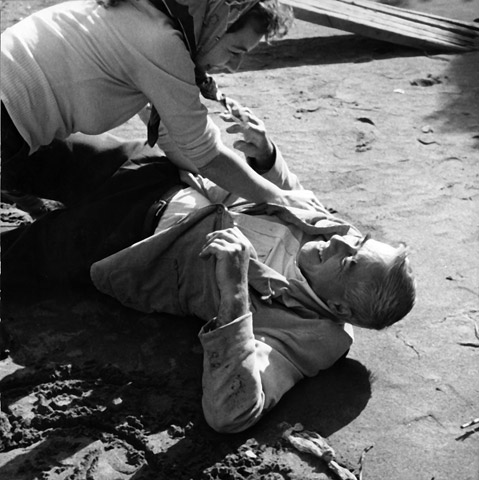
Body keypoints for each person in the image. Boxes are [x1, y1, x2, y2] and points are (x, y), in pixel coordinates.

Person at [1, 108, 416, 433]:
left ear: (340, 308)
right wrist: (267, 156)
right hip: (155, 172)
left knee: (18, 256)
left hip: (128, 237)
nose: (342, 240)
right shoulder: (337, 237)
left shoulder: (312, 337)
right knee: (28, 145)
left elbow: (232, 413)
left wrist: (234, 289)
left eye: (350, 261)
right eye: (358, 241)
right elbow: (292, 193)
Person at [1, 0, 320, 211]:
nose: (234, 66)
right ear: (218, 22)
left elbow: (178, 143)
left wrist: (264, 164)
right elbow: (205, 154)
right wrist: (281, 198)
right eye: (235, 51)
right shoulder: (161, 41)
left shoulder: (148, 11)